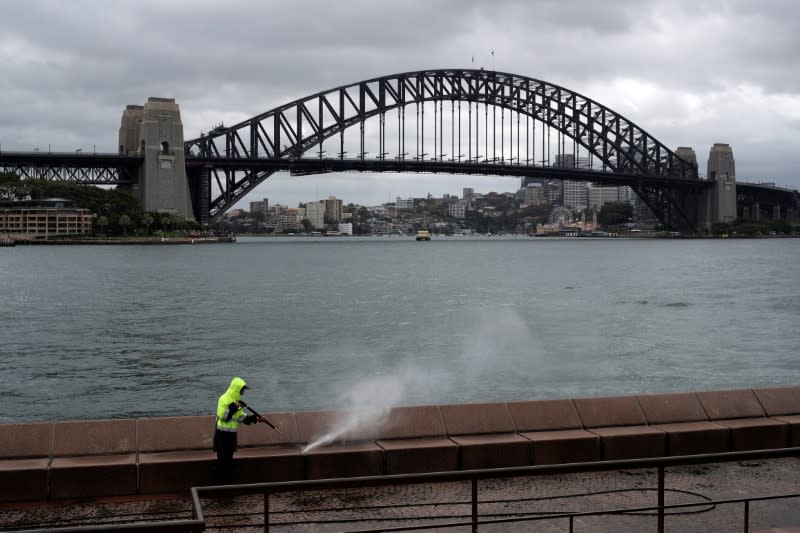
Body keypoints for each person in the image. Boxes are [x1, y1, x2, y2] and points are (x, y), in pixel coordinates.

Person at [213, 376, 263, 484]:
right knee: (222, 461)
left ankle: (227, 485)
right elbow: (224, 417)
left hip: (231, 436)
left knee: (229, 461)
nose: (243, 392)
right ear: (236, 389)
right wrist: (233, 407)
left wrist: (254, 418)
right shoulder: (223, 399)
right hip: (222, 435)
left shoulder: (236, 401)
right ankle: (220, 486)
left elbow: (240, 418)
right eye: (242, 390)